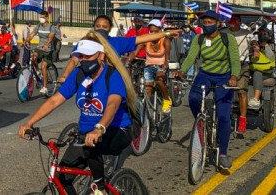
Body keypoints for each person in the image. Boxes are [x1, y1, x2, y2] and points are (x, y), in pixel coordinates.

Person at [18, 37, 137, 195]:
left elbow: (112, 105)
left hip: (116, 130)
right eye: (81, 56)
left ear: (101, 55)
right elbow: (54, 100)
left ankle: (100, 189)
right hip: (86, 134)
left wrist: (99, 129)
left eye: (88, 56)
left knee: (91, 146)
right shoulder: (79, 74)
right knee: (62, 179)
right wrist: (29, 123)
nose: (83, 60)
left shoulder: (112, 76)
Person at [177, 10, 240, 170]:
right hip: (205, 74)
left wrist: (234, 76)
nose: (207, 26)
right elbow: (191, 57)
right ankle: (201, 122)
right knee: (193, 98)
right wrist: (183, 70)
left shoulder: (228, 39)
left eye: (210, 23)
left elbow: (234, 60)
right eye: (204, 23)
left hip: (223, 76)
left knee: (224, 115)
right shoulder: (199, 39)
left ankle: (223, 153)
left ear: (218, 24)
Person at [57, 15, 177, 84]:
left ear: (109, 29)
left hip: (110, 82)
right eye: (98, 26)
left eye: (105, 27)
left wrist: (166, 33)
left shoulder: (116, 42)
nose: (100, 29)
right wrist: (65, 76)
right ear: (93, 27)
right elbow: (74, 60)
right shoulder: (84, 43)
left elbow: (143, 38)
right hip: (88, 82)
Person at [140, 19, 172, 113]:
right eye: (151, 31)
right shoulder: (146, 39)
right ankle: (145, 111)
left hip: (161, 66)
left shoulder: (165, 40)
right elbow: (136, 49)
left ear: (160, 30)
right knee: (147, 88)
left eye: (155, 31)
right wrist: (129, 58)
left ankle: (166, 99)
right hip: (149, 66)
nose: (153, 33)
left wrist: (165, 64)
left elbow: (167, 55)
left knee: (159, 81)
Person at [27, 11, 57, 96]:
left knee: (43, 65)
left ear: (47, 17)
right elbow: (32, 35)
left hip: (49, 50)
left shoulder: (52, 27)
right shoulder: (38, 26)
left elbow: (51, 37)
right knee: (33, 58)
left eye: (43, 17)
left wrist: (47, 44)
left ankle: (45, 88)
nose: (41, 19)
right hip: (40, 48)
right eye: (41, 17)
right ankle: (38, 71)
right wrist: (25, 41)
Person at [246, 31, 275, 110]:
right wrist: (254, 49)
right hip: (251, 70)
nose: (263, 36)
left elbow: (271, 57)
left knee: (257, 73)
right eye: (261, 34)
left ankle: (256, 99)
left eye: (265, 34)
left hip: (266, 73)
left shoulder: (271, 46)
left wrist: (265, 46)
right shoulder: (254, 45)